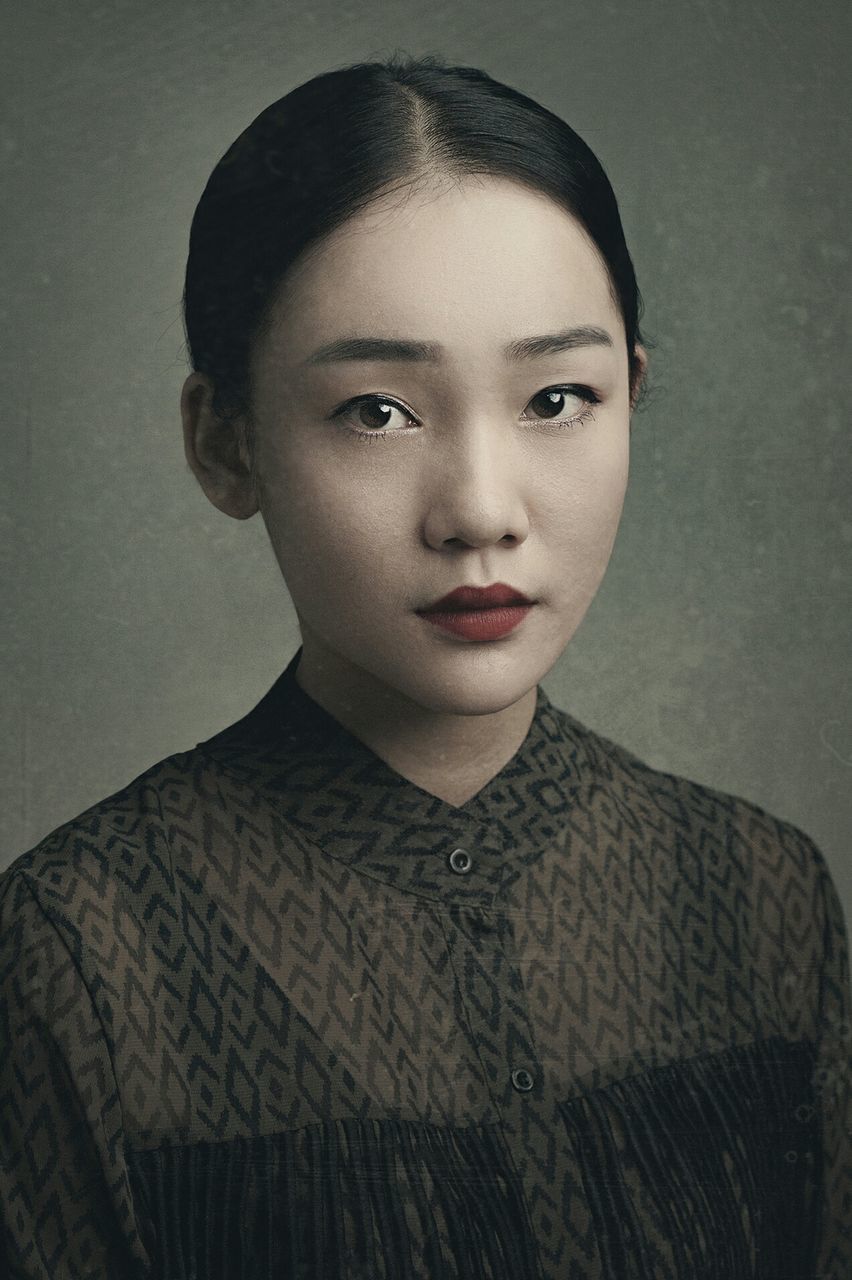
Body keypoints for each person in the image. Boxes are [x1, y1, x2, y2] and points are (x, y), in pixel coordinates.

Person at [1, 52, 849, 1280]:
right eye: (377, 412)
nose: (481, 511)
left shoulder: (764, 894)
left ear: (633, 396)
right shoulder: (77, 956)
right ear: (225, 443)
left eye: (557, 397)